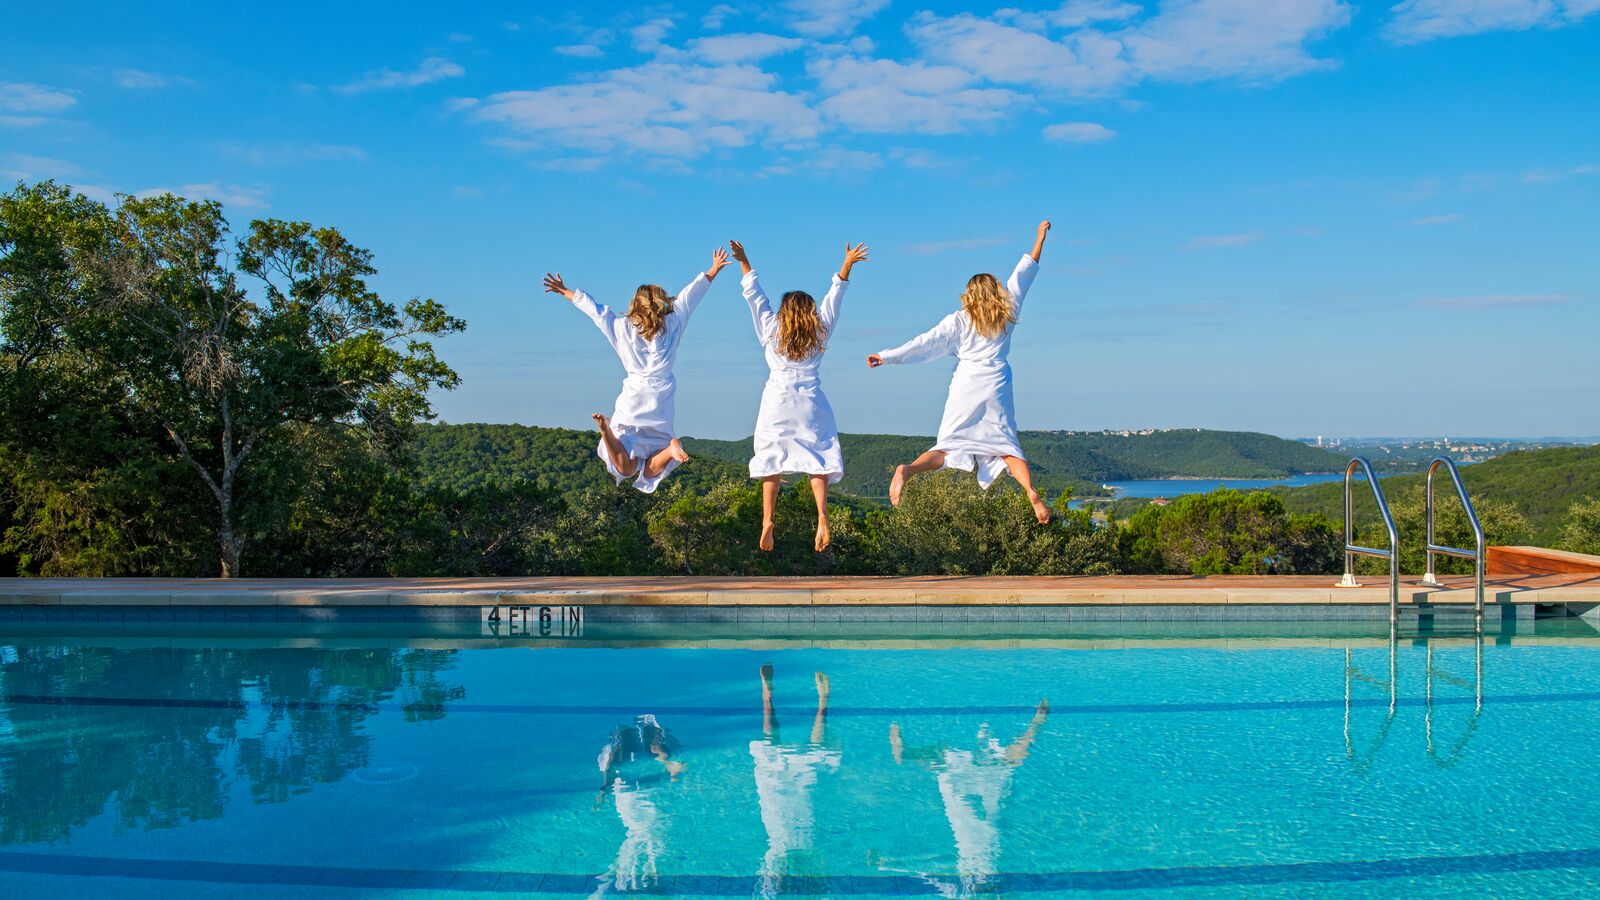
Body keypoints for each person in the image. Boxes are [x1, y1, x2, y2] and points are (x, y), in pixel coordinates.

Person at [867, 221, 1053, 523]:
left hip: (965, 386)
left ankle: (909, 470)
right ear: (995, 293)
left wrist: (886, 357)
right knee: (1007, 449)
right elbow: (1025, 274)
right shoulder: (1008, 311)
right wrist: (1039, 239)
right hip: (997, 384)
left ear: (969, 295)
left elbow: (924, 343)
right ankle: (1031, 491)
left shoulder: (958, 320)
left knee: (946, 448)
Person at [542, 247, 729, 493]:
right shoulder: (674, 322)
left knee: (626, 469)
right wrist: (713, 269)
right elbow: (690, 295)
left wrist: (565, 291)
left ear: (635, 305)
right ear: (661, 302)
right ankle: (669, 448)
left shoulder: (622, 327)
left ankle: (607, 432)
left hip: (634, 400)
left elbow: (595, 312)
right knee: (652, 469)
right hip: (661, 401)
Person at [729, 239, 870, 552]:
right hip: (810, 401)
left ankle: (767, 520)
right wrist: (847, 263)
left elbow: (754, 295)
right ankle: (821, 516)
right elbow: (836, 297)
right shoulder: (819, 331)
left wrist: (744, 260)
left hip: (777, 400)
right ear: (809, 312)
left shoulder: (771, 328)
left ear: (784, 311)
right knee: (817, 457)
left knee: (770, 458)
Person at [883, 699, 1050, 897]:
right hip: (967, 808)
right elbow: (927, 876)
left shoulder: (963, 892)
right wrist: (890, 865)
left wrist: (891, 865)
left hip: (986, 809)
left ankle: (1037, 722)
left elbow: (927, 876)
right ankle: (908, 753)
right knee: (948, 760)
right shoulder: (960, 892)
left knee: (1004, 762)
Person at [750, 664, 840, 898]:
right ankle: (770, 700)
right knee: (773, 756)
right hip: (780, 822)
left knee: (809, 762)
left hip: (798, 826)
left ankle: (821, 703)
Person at [591, 715, 685, 896]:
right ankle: (647, 875)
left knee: (640, 833)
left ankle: (640, 876)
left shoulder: (616, 752)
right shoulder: (622, 751)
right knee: (648, 833)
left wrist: (603, 793)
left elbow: (609, 773)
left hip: (631, 795)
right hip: (642, 795)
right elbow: (673, 772)